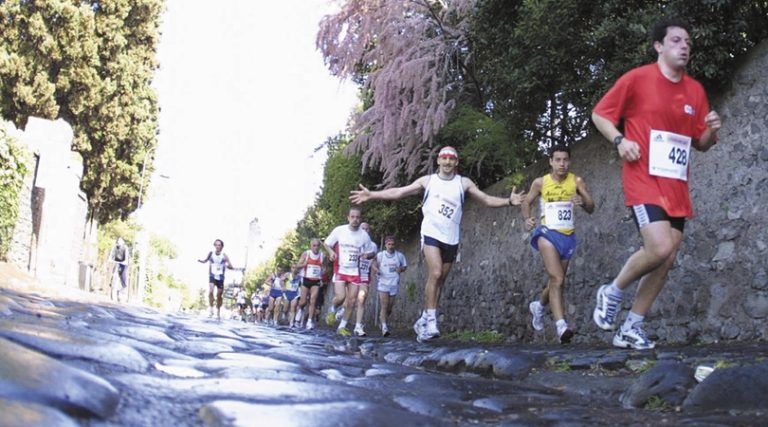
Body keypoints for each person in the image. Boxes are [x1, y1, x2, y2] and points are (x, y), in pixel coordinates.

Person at [591, 18, 722, 350]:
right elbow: (600, 115)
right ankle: (613, 290)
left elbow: (701, 143)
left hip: (675, 185)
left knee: (667, 258)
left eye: (688, 43)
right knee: (659, 247)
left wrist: (713, 130)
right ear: (659, 46)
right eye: (676, 40)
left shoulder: (695, 91)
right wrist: (620, 140)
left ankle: (631, 326)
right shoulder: (637, 79)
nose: (684, 46)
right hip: (643, 178)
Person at [350, 146, 524, 342]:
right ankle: (432, 320)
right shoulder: (428, 181)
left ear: (456, 162)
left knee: (439, 281)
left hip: (451, 237)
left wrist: (509, 201)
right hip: (431, 234)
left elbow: (485, 199)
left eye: (452, 158)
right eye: (444, 158)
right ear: (438, 161)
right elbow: (399, 192)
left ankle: (424, 318)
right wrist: (372, 194)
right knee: (436, 272)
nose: (448, 162)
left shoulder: (463, 183)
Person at [521, 144, 595, 344]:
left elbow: (591, 207)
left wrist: (582, 199)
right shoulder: (540, 183)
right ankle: (561, 326)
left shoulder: (576, 181)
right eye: (558, 160)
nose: (562, 164)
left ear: (569, 161)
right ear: (551, 162)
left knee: (557, 281)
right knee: (557, 278)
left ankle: (539, 305)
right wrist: (527, 219)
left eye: (565, 160)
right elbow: (526, 202)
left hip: (567, 236)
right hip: (546, 234)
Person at [322, 206, 374, 336]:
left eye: (357, 217)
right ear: (348, 218)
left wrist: (367, 255)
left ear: (360, 218)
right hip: (340, 268)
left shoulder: (364, 236)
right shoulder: (340, 230)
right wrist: (331, 252)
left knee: (351, 300)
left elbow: (371, 252)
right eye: (353, 217)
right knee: (341, 297)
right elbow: (326, 243)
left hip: (354, 271)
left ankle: (342, 327)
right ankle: (332, 309)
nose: (355, 220)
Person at [373, 235, 407, 336]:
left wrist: (400, 269)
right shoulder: (381, 255)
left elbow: (405, 267)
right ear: (385, 245)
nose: (391, 246)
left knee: (389, 307)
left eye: (392, 244)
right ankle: (384, 327)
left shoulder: (399, 256)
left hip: (394, 283)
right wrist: (376, 270)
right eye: (389, 244)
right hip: (383, 283)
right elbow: (373, 263)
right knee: (384, 305)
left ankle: (382, 320)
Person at [351, 222, 377, 337]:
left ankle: (358, 326)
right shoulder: (352, 242)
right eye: (363, 229)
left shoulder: (373, 246)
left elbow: (374, 260)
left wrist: (375, 270)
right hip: (352, 274)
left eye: (367, 229)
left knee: (361, 299)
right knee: (350, 300)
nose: (365, 231)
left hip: (364, 275)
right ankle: (343, 310)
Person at [198, 239, 235, 320]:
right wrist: (201, 261)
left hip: (221, 277)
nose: (218, 247)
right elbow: (205, 260)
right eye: (216, 245)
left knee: (219, 295)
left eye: (219, 245)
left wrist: (227, 265)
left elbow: (231, 266)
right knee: (211, 291)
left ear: (222, 246)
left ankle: (218, 311)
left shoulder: (224, 255)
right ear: (214, 245)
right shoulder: (211, 253)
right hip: (212, 275)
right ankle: (211, 309)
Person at [293, 238, 325, 330]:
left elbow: (324, 268)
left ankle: (310, 321)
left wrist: (322, 276)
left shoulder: (322, 256)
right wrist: (304, 265)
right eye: (314, 245)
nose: (316, 247)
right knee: (303, 302)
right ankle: (300, 310)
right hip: (306, 280)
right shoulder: (306, 254)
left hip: (316, 281)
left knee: (313, 300)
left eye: (318, 246)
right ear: (311, 246)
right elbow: (297, 266)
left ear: (319, 246)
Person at [109, 237, 131, 302]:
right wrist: (110, 259)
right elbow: (112, 255)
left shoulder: (125, 248)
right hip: (117, 263)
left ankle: (120, 293)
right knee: (114, 274)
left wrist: (125, 262)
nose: (119, 242)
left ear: (123, 242)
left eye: (120, 241)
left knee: (123, 278)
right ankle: (112, 287)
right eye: (118, 241)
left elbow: (127, 257)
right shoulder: (115, 247)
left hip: (123, 264)